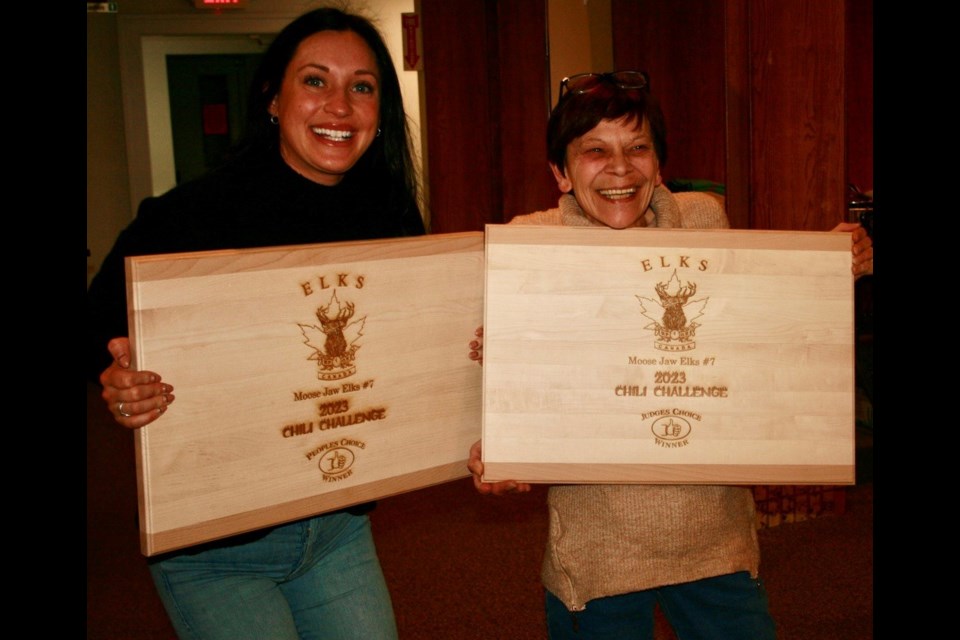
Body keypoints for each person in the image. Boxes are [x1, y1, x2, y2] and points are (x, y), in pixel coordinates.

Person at [466, 70, 873, 640]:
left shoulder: (703, 219)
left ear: (659, 164)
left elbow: (749, 327)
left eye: (638, 149)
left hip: (713, 534)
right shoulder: (530, 245)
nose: (620, 168)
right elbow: (482, 356)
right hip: (597, 548)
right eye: (594, 151)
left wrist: (830, 267)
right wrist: (496, 441)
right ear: (560, 172)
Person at [87, 7, 424, 639]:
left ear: (380, 114)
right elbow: (93, 328)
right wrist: (118, 377)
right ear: (273, 97)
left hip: (337, 526)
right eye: (315, 81)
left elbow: (408, 344)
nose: (339, 106)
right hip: (216, 543)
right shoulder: (189, 217)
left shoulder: (392, 221)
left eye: (362, 86)